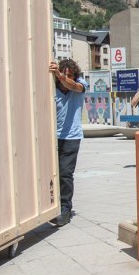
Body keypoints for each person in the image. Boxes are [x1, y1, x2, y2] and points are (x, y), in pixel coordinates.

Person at [50, 58, 87, 227]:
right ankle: (52, 206)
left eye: (70, 75)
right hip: (53, 137)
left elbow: (74, 86)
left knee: (65, 173)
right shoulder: (52, 89)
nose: (66, 79)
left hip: (71, 137)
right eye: (63, 76)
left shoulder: (80, 84)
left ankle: (65, 208)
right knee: (51, 174)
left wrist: (61, 76)